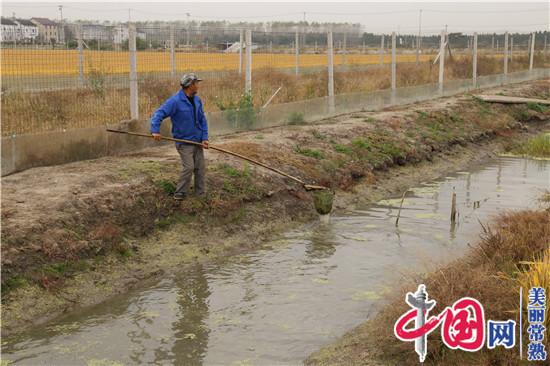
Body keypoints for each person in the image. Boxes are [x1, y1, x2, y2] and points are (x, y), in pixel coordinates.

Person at [150, 73, 209, 200]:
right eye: (196, 83)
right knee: (189, 167)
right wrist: (155, 130)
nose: (198, 85)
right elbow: (158, 114)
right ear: (190, 85)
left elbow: (202, 119)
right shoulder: (175, 101)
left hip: (197, 141)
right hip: (183, 141)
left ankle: (200, 194)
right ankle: (180, 193)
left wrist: (205, 138)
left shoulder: (197, 100)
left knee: (200, 168)